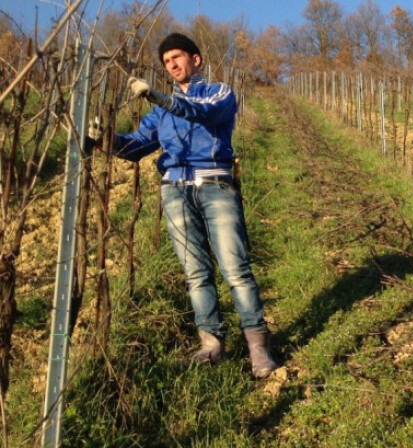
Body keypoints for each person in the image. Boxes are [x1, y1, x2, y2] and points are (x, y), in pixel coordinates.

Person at [93, 33, 280, 379]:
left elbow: (201, 113)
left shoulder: (217, 93)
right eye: (166, 62)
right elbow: (135, 148)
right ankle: (212, 345)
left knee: (235, 269)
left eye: (177, 56)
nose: (172, 64)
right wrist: (102, 139)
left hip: (215, 186)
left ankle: (258, 346)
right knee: (195, 274)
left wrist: (159, 97)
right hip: (175, 191)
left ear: (196, 60)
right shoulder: (159, 114)